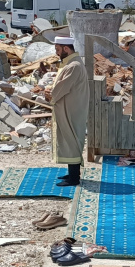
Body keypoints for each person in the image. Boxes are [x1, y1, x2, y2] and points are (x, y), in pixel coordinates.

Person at [50, 36, 88, 187]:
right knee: (69, 139)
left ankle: (74, 178)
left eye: (58, 49)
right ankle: (72, 173)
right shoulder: (72, 63)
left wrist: (51, 96)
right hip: (70, 107)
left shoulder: (74, 66)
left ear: (66, 48)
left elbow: (62, 87)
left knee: (71, 140)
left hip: (71, 109)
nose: (57, 53)